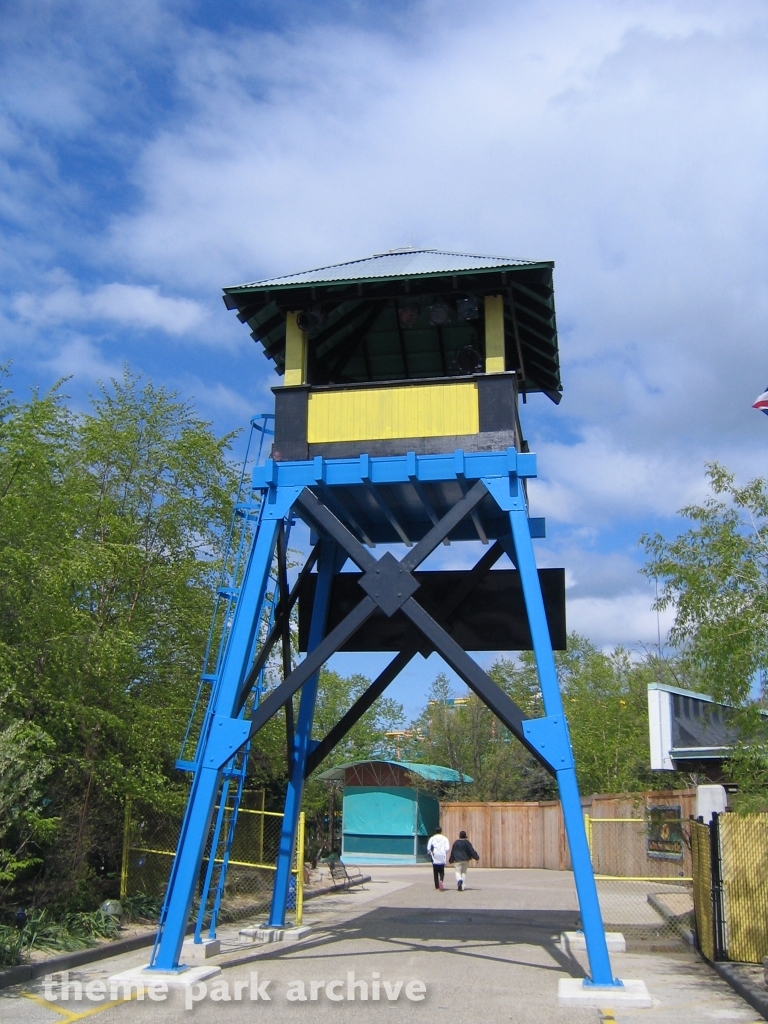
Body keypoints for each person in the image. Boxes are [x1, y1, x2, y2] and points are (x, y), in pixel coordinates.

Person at [426, 826, 450, 891]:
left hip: (434, 856)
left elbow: (428, 848)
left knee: (435, 872)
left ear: (435, 831)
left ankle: (437, 886)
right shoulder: (445, 838)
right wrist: (444, 852)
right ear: (441, 831)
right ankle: (441, 880)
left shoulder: (432, 838)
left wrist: (430, 853)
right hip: (442, 856)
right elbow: (447, 848)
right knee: (442, 871)